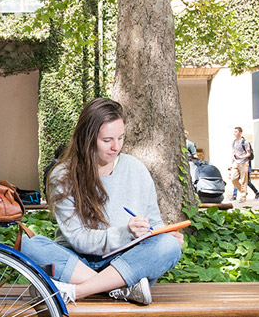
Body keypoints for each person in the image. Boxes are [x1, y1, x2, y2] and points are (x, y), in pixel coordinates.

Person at [20, 98, 184, 305]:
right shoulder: (63, 175)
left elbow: (153, 222)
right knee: (29, 246)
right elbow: (79, 239)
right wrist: (126, 232)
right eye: (107, 140)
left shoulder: (136, 169)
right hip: (77, 262)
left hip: (124, 262)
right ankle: (120, 289)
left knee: (168, 246)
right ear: (87, 138)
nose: (116, 147)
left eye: (121, 138)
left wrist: (164, 233)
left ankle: (77, 292)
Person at [228, 127, 256, 203]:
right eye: (234, 132)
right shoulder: (234, 142)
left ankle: (243, 196)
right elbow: (233, 153)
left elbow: (248, 153)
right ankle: (243, 192)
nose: (234, 133)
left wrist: (241, 157)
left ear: (240, 132)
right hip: (236, 162)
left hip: (244, 162)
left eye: (236, 132)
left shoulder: (245, 142)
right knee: (233, 178)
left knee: (244, 180)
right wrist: (231, 163)